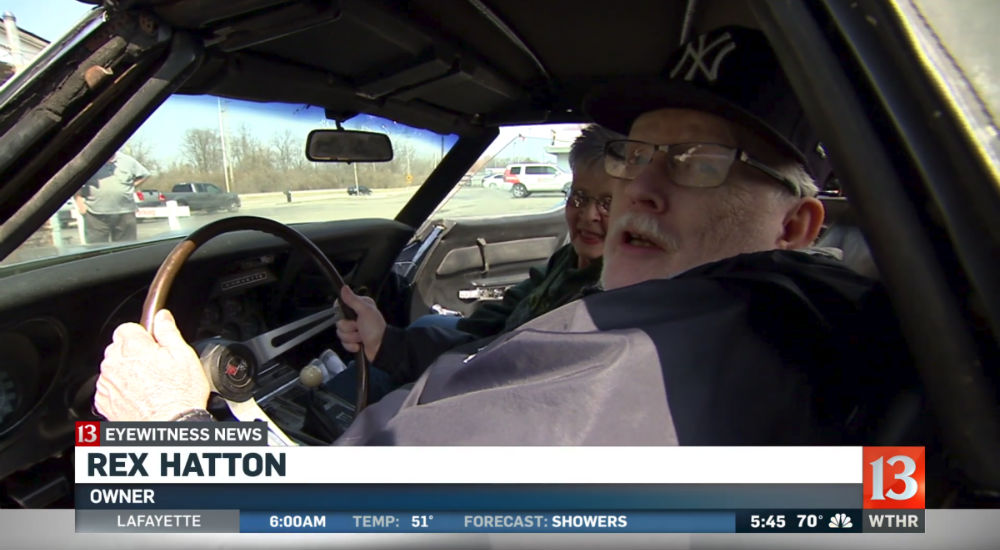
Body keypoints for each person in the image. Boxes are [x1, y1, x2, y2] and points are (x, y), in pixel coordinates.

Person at [94, 26, 905, 445]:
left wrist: (178, 435)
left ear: (797, 225)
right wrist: (394, 349)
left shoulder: (645, 372)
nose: (639, 192)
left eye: (697, 164)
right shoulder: (809, 321)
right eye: (636, 155)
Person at [326, 124, 622, 400]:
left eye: (608, 203)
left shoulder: (603, 297)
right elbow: (505, 313)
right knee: (427, 324)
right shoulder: (568, 259)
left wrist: (388, 346)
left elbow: (500, 363)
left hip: (498, 385)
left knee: (381, 382)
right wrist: (401, 341)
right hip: (494, 349)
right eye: (579, 198)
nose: (588, 215)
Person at [74, 152, 150, 243]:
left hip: (125, 212)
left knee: (126, 248)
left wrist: (131, 186)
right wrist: (79, 201)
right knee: (97, 249)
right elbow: (74, 181)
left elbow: (145, 175)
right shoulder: (89, 161)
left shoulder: (127, 161)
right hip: (95, 213)